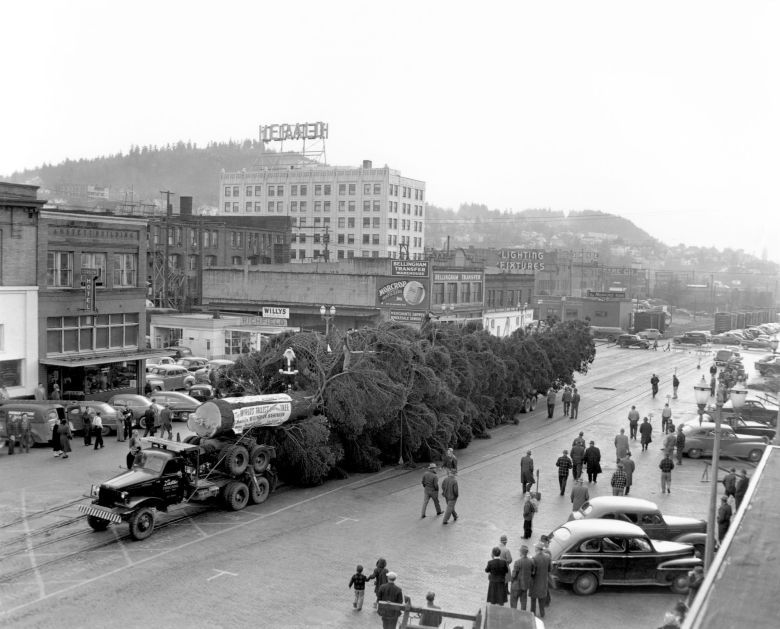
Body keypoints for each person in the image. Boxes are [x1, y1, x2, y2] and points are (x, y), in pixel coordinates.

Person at [509, 545, 535, 611]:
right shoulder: (531, 561)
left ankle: (514, 615)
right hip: (525, 586)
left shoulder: (518, 562)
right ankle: (523, 615)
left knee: (513, 603)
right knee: (523, 603)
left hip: (516, 586)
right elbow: (533, 572)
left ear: (521, 552)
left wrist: (511, 581)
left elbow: (514, 575)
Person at [529, 542, 550, 618]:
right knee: (541, 600)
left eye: (535, 547)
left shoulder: (534, 559)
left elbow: (532, 573)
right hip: (543, 582)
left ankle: (533, 614)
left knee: (533, 600)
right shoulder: (547, 557)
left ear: (537, 549)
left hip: (535, 583)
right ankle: (542, 613)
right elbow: (549, 569)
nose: (534, 548)